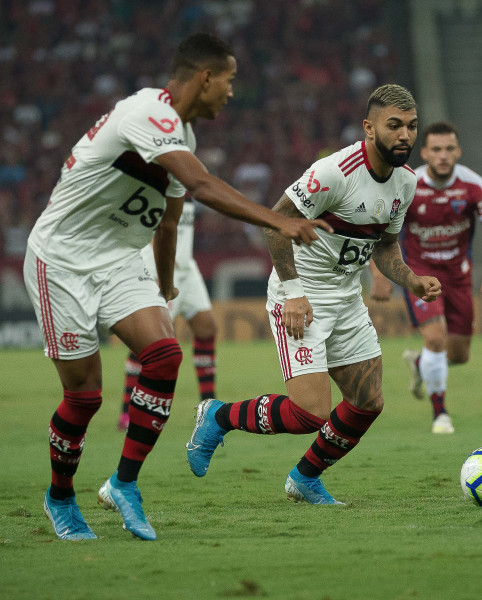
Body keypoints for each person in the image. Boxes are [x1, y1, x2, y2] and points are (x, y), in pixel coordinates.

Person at [24, 33, 328, 541]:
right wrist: (279, 221)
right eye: (229, 80)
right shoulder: (147, 113)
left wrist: (165, 286)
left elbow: (168, 221)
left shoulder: (182, 135)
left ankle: (124, 484)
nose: (231, 92)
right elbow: (204, 186)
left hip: (120, 259)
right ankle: (60, 497)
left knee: (165, 357)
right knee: (84, 397)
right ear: (205, 78)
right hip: (63, 261)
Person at [186, 84, 441, 503]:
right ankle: (218, 415)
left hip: (347, 297)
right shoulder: (335, 172)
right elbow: (275, 223)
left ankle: (304, 478)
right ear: (369, 128)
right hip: (302, 296)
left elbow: (385, 244)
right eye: (394, 125)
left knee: (367, 402)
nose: (405, 135)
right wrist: (293, 292)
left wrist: (411, 280)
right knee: (309, 413)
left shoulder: (406, 182)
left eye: (412, 127)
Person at [369, 121, 482, 434]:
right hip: (419, 274)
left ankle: (422, 364)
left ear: (458, 151)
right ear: (424, 153)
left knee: (458, 355)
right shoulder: (408, 184)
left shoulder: (474, 186)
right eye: (436, 149)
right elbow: (377, 233)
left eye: (449, 149)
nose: (443, 155)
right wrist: (379, 274)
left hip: (458, 277)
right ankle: (440, 414)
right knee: (435, 339)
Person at [119, 198, 217, 431]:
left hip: (186, 267)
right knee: (149, 340)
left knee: (206, 328)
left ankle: (209, 408)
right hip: (159, 266)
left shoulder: (187, 183)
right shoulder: (162, 183)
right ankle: (126, 412)